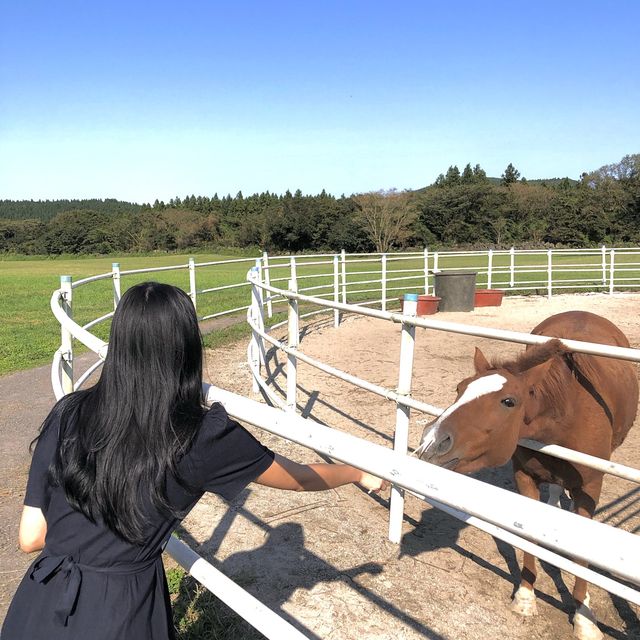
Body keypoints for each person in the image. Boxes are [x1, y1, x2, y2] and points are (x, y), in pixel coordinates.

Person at [2, 282, 387, 639]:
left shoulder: (69, 412)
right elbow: (298, 477)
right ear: (185, 348)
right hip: (122, 612)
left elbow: (30, 538)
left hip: (38, 603)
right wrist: (355, 472)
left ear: (118, 342)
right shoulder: (202, 435)